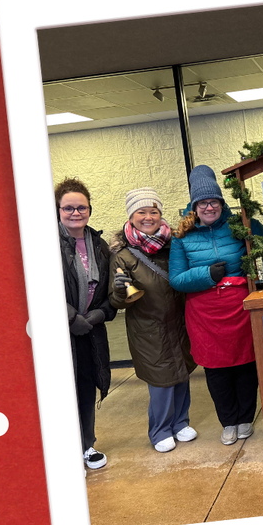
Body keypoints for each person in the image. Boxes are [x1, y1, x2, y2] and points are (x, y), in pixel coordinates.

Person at [169, 165, 263, 445]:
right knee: (217, 370)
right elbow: (176, 279)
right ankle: (228, 421)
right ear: (194, 206)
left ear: (221, 202)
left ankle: (245, 418)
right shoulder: (182, 236)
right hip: (205, 314)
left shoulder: (240, 225)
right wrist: (207, 275)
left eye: (214, 201)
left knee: (246, 364)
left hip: (240, 309)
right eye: (203, 202)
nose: (209, 207)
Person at [109, 189, 197, 453]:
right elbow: (115, 302)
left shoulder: (174, 244)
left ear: (160, 214)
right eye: (141, 212)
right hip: (148, 329)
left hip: (179, 322)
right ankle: (159, 430)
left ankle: (181, 422)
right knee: (161, 381)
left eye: (153, 211)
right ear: (131, 216)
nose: (148, 217)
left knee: (182, 373)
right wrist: (119, 290)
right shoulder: (122, 254)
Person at [55, 177, 116, 470]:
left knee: (86, 386)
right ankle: (63, 448)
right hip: (58, 333)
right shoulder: (45, 244)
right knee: (60, 391)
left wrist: (99, 314)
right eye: (68, 208)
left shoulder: (99, 244)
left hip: (91, 330)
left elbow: (109, 290)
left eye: (82, 207)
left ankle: (86, 446)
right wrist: (69, 317)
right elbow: (40, 288)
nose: (75, 213)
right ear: (57, 210)